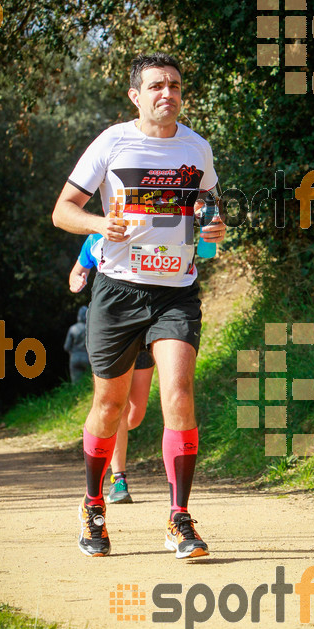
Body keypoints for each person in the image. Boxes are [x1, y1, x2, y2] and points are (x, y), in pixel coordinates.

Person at [52, 52, 226, 559]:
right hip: (117, 290)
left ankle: (179, 519)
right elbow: (64, 210)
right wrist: (98, 225)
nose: (166, 93)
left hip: (176, 290)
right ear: (136, 96)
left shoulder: (197, 147)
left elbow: (209, 208)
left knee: (178, 392)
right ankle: (92, 506)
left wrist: (213, 231)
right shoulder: (112, 142)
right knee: (110, 408)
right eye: (155, 86)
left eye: (173, 84)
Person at [69, 234, 155, 504]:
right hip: (112, 327)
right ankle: (119, 479)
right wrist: (77, 280)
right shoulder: (96, 237)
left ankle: (104, 436)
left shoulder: (151, 229)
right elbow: (78, 270)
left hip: (150, 322)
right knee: (115, 409)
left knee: (135, 415)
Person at [63, 306, 90, 383]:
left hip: (74, 357)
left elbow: (66, 347)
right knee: (89, 381)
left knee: (76, 383)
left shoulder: (72, 328)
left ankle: (77, 395)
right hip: (87, 357)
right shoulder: (89, 328)